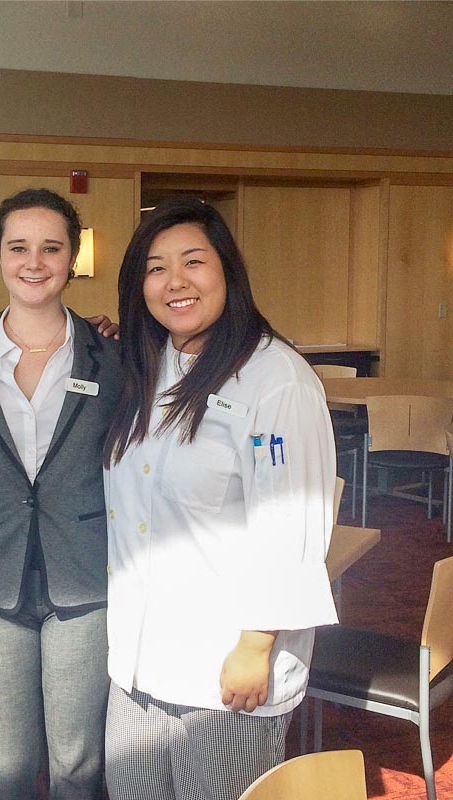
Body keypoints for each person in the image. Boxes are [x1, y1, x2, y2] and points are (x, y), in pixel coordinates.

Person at [102, 198, 339, 800]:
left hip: (222, 661)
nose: (174, 282)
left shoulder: (276, 381)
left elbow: (291, 523)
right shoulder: (149, 368)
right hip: (138, 655)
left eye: (193, 262)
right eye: (155, 268)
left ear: (227, 271)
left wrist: (256, 645)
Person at [0, 188, 121, 800]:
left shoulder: (114, 357)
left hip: (86, 576)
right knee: (6, 767)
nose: (34, 262)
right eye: (18, 247)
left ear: (72, 259)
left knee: (77, 764)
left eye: (51, 247)